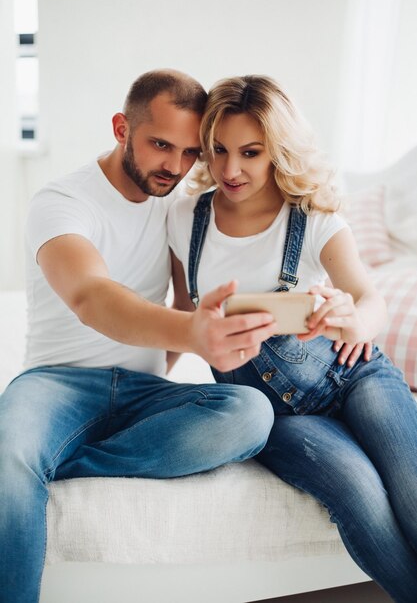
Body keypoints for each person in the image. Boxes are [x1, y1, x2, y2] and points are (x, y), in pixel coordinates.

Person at [0, 70, 277, 603]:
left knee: (249, 413)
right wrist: (193, 332)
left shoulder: (176, 208)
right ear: (121, 127)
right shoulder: (61, 202)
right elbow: (91, 297)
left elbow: (185, 300)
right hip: (56, 384)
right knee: (9, 453)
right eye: (160, 145)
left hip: (142, 393)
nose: (174, 166)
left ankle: (65, 460)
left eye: (191, 152)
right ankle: (36, 461)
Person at [167, 74, 417, 603]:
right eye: (219, 151)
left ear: (277, 150)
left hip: (354, 376)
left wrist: (351, 319)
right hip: (276, 415)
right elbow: (181, 315)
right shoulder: (184, 218)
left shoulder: (314, 216)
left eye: (251, 153)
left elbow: (370, 302)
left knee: (412, 487)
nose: (231, 170)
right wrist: (141, 381)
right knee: (360, 495)